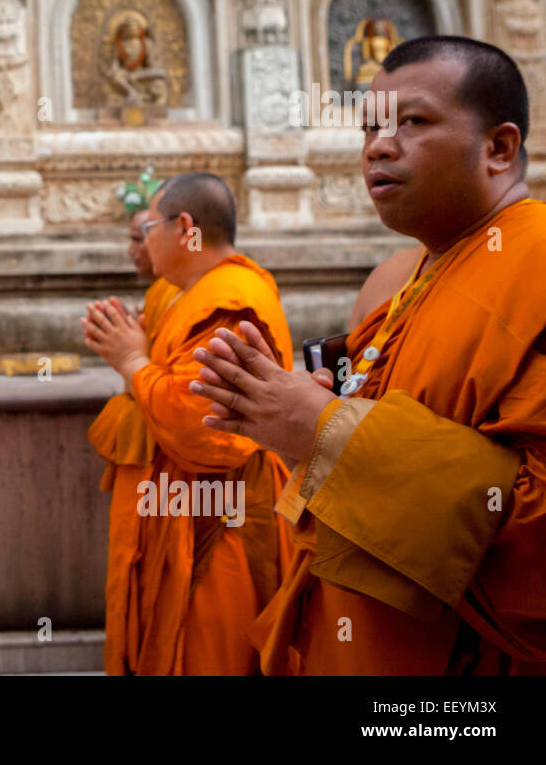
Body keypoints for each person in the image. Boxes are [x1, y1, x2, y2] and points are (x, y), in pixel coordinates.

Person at [192, 36, 546, 674]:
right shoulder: (419, 275)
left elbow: (534, 518)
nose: (379, 146)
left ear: (499, 148)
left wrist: (322, 428)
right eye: (370, 128)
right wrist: (302, 425)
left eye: (412, 122)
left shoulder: (535, 264)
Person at [84, 172, 293, 674]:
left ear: (184, 228)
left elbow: (205, 433)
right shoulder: (182, 291)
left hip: (215, 522)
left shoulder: (228, 302)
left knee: (208, 654)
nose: (142, 239)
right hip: (177, 509)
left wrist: (132, 362)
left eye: (149, 227)